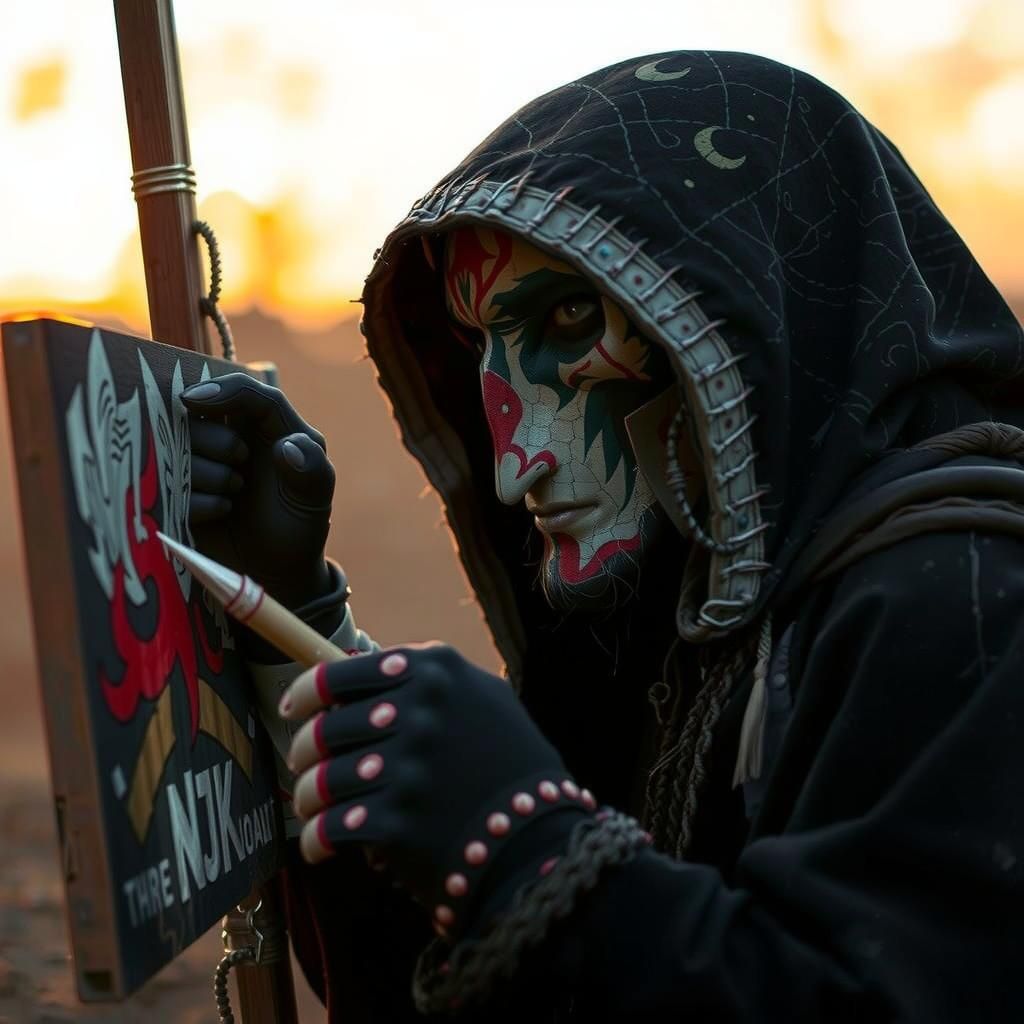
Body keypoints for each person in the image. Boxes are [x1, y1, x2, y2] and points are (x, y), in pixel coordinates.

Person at [181, 50, 1024, 1022]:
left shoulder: (960, 594)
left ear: (752, 315)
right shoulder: (682, 603)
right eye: (481, 344)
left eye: (572, 318)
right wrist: (295, 615)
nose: (513, 471)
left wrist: (525, 841)